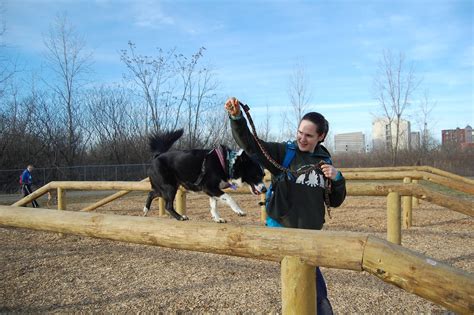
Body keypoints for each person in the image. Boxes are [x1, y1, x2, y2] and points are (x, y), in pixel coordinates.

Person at [225, 97, 346, 314]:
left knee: (310, 288)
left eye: (309, 135)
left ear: (321, 137)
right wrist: (237, 118)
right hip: (285, 230)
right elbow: (251, 145)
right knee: (316, 294)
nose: (302, 138)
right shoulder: (284, 154)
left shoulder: (324, 160)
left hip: (311, 235)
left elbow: (334, 201)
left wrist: (337, 179)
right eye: (300, 132)